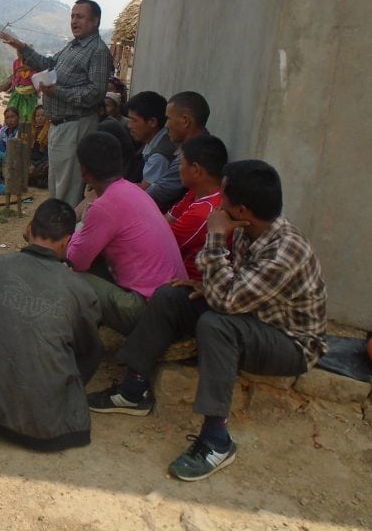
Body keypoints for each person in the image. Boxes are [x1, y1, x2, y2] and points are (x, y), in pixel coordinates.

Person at [88, 160, 326, 482]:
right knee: (171, 296)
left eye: (223, 198)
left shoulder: (284, 251)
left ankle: (216, 440)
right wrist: (205, 284)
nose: (218, 204)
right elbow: (231, 285)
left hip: (289, 341)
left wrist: (214, 239)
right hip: (251, 311)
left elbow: (228, 301)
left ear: (241, 209)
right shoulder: (247, 228)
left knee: (216, 326)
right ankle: (134, 390)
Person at [0, 199, 102, 451]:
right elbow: (87, 352)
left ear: (28, 228)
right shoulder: (80, 290)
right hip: (43, 423)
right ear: (67, 240)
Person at [66, 132, 185, 335]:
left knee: (64, 273)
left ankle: (78, 338)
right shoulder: (133, 190)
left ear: (83, 170)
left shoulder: (104, 206)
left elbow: (75, 261)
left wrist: (81, 226)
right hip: (173, 305)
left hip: (146, 311)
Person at [0, 0, 112, 208]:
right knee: (57, 185)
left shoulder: (97, 51)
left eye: (80, 16)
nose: (74, 21)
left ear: (95, 21)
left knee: (68, 189)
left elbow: (96, 93)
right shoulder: (74, 45)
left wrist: (57, 92)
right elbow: (50, 65)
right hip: (61, 125)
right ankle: (56, 231)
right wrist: (22, 47)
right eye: (72, 16)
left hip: (76, 125)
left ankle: (64, 236)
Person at [167, 134, 228, 282]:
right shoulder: (196, 191)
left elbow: (161, 243)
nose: (179, 169)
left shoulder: (205, 211)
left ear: (195, 169)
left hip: (187, 284)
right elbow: (167, 220)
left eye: (181, 163)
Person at [125, 90, 178, 210]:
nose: (129, 125)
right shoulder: (154, 141)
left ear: (152, 122)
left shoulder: (159, 155)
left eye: (134, 120)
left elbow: (142, 194)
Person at [0, 50, 37, 123]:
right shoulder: (16, 62)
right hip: (17, 93)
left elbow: (37, 80)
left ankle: (25, 132)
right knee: (12, 112)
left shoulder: (35, 65)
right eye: (18, 52)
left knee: (28, 115)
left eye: (21, 52)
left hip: (30, 95)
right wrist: (13, 86)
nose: (18, 54)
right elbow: (15, 76)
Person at [29, 104, 50, 188]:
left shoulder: (50, 131)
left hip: (43, 162)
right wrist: (30, 163)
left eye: (43, 115)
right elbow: (27, 151)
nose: (40, 118)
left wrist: (36, 166)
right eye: (37, 116)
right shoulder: (30, 131)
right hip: (31, 162)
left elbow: (47, 155)